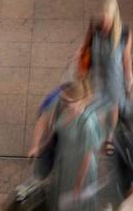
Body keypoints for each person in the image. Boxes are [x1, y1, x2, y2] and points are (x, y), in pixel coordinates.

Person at [81, 0, 133, 156]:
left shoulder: (124, 33)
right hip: (97, 72)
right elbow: (86, 45)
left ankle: (109, 137)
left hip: (114, 75)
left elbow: (126, 59)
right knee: (94, 103)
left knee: (113, 104)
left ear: (114, 17)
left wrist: (129, 80)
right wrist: (81, 65)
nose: (104, 25)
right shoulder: (94, 25)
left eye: (108, 21)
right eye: (103, 19)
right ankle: (93, 133)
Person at [46, 80, 103, 211]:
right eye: (63, 100)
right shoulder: (65, 111)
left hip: (80, 171)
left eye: (68, 101)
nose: (64, 104)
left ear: (79, 100)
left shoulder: (86, 122)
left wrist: (79, 183)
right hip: (66, 163)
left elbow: (87, 156)